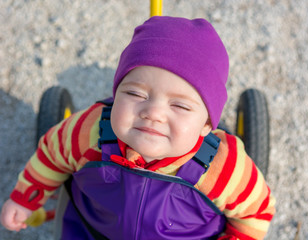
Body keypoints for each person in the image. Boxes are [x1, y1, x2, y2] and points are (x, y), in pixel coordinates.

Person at [0, 16, 275, 239]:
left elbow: (256, 210)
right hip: (92, 230)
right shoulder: (91, 130)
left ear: (206, 124)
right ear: (116, 93)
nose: (153, 113)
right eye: (135, 94)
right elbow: (52, 153)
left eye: (179, 106)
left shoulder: (223, 168)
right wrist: (25, 198)